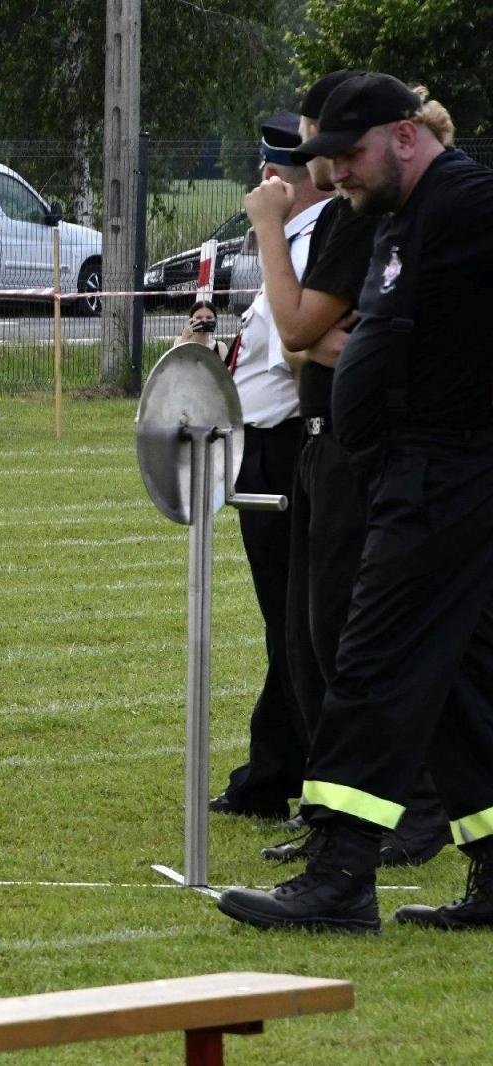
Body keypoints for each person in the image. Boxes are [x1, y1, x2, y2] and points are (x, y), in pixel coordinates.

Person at [216, 74, 493, 933]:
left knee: (370, 661)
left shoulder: (467, 199)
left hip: (446, 475)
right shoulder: (400, 211)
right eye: (327, 159)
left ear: (406, 134)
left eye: (349, 153)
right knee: (462, 682)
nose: (336, 173)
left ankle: (340, 875)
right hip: (407, 468)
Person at [252, 71, 449, 868]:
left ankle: (411, 811)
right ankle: (335, 811)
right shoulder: (354, 212)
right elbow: (306, 340)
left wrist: (269, 226)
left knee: (350, 639)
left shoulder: (367, 214)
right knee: (310, 639)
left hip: (365, 446)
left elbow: (298, 327)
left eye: (329, 145)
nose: (321, 161)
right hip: (322, 437)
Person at [205, 112, 330, 823]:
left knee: (295, 622)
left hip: (284, 446)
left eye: (268, 170)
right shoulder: (298, 240)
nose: (261, 182)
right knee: (283, 621)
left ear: (283, 176)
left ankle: (294, 774)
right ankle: (275, 769)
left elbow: (292, 346)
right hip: (263, 442)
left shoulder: (304, 242)